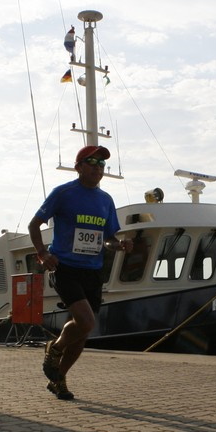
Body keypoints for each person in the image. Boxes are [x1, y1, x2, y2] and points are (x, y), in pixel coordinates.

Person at [27, 145, 132, 400]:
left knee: (83, 332)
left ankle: (58, 379)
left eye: (102, 164)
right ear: (78, 167)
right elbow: (34, 224)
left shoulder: (106, 200)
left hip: (92, 271)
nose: (98, 167)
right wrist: (42, 253)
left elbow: (108, 238)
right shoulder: (63, 193)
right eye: (92, 162)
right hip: (65, 267)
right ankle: (55, 348)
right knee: (86, 321)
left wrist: (119, 245)